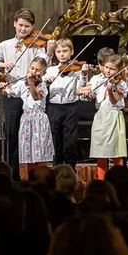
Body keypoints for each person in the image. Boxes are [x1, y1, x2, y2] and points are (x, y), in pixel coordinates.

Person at [0, 9, 55, 179]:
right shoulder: (5, 45)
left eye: (27, 26)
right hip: (14, 94)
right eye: (21, 25)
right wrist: (1, 65)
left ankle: (35, 176)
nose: (23, 29)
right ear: (15, 24)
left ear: (32, 27)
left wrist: (49, 52)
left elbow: (44, 63)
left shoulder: (36, 45)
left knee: (32, 137)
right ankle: (13, 177)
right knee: (12, 135)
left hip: (31, 94)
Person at [1, 57, 54, 175]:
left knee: (40, 151)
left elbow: (36, 97)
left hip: (39, 120)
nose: (34, 71)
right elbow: (5, 92)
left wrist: (31, 83)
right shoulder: (21, 84)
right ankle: (31, 178)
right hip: (27, 119)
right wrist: (1, 86)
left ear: (43, 72)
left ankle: (42, 178)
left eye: (38, 70)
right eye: (32, 68)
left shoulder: (42, 84)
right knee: (30, 152)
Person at [86, 54, 128, 179]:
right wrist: (87, 93)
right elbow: (82, 90)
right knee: (101, 152)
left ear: (119, 70)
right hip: (101, 116)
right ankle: (101, 180)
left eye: (112, 69)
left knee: (116, 152)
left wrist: (110, 90)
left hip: (114, 116)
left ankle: (118, 180)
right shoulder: (97, 80)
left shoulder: (121, 84)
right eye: (106, 67)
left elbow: (114, 100)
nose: (108, 71)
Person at [44, 38, 85, 168]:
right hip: (54, 107)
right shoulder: (51, 70)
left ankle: (70, 168)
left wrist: (84, 73)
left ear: (72, 52)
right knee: (55, 138)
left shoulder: (77, 70)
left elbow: (81, 87)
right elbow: (43, 85)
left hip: (71, 107)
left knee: (70, 141)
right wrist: (45, 81)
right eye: (58, 51)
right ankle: (56, 167)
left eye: (65, 51)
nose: (62, 54)